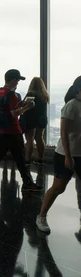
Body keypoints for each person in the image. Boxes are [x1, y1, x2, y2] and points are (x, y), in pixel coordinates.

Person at [0, 69, 42, 192]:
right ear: (12, 80)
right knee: (20, 158)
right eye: (17, 80)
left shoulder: (1, 91)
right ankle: (27, 182)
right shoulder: (11, 95)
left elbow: (7, 108)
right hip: (12, 130)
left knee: (0, 157)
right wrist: (27, 107)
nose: (18, 83)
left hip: (2, 130)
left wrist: (21, 103)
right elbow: (13, 113)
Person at [36, 77, 81, 234]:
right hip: (65, 154)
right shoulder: (71, 106)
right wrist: (68, 156)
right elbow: (63, 132)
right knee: (58, 188)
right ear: (78, 90)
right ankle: (41, 216)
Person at [20, 77, 49, 166]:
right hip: (42, 119)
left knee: (30, 139)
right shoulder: (44, 95)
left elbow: (25, 105)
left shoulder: (31, 93)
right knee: (40, 138)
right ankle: (40, 159)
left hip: (31, 119)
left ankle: (27, 160)